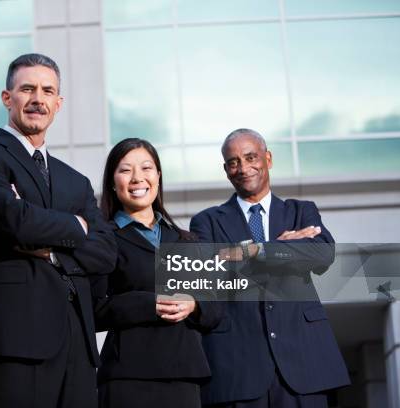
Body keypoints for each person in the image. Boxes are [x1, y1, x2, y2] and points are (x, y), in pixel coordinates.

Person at [0, 53, 117, 408]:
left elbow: (106, 252)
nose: (38, 99)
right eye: (27, 89)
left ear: (58, 103)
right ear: (7, 98)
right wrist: (76, 226)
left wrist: (49, 249)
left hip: (77, 344)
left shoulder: (75, 181)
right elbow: (13, 221)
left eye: (47, 91)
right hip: (14, 337)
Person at [189, 129, 350, 407]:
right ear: (226, 170)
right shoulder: (207, 222)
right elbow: (209, 272)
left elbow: (322, 254)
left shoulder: (300, 211)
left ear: (268, 158)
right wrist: (283, 248)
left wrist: (255, 250)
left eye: (250, 157)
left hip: (303, 363)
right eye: (233, 162)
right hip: (239, 366)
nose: (243, 168)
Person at [94, 138, 222, 408]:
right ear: (112, 182)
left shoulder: (187, 240)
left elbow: (215, 310)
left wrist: (195, 304)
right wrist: (148, 303)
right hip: (128, 378)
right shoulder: (102, 239)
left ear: (158, 176)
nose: (137, 178)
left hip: (184, 376)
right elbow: (94, 310)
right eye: (126, 170)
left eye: (146, 168)